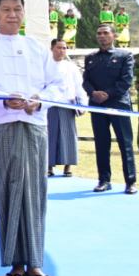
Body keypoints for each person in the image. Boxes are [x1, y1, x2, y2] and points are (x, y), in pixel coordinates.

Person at [0, 0, 65, 276]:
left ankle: (35, 264)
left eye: (17, 9)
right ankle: (15, 264)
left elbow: (57, 85)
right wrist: (3, 99)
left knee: (35, 191)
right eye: (6, 10)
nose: (12, 15)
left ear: (24, 12)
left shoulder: (37, 47)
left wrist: (39, 101)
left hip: (34, 124)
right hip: (2, 124)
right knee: (8, 190)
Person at [83, 24, 138, 194]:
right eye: (99, 33)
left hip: (118, 105)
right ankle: (104, 180)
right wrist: (93, 93)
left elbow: (126, 81)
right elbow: (86, 81)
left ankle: (130, 182)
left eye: (105, 33)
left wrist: (107, 94)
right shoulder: (90, 58)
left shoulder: (125, 56)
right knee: (101, 143)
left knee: (125, 144)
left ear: (114, 36)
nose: (102, 36)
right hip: (98, 106)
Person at [46, 38, 85, 179]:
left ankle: (68, 166)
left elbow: (79, 85)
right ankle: (48, 166)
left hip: (67, 104)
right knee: (49, 136)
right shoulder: (45, 65)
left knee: (68, 136)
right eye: (59, 47)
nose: (62, 50)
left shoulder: (71, 67)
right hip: (49, 105)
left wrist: (82, 103)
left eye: (64, 48)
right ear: (52, 49)